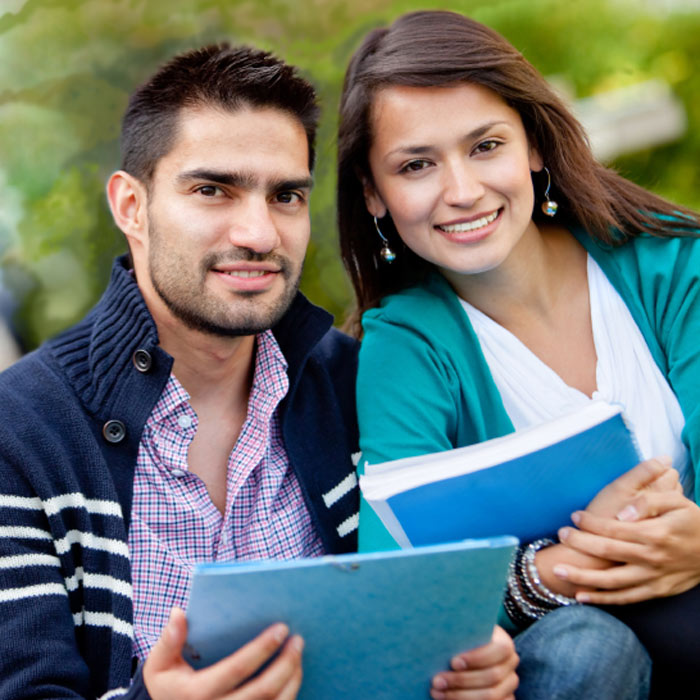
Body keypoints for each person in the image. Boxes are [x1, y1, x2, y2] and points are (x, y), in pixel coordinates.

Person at [0, 43, 519, 700]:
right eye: (213, 189)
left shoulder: (360, 387)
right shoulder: (21, 430)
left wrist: (476, 661)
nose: (259, 232)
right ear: (132, 206)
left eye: (286, 196)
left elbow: (443, 610)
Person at [337, 9, 700, 698]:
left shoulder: (675, 265)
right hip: (569, 669)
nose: (463, 191)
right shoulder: (404, 346)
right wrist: (550, 573)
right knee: (586, 647)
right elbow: (401, 594)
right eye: (416, 165)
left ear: (534, 144)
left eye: (484, 146)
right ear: (374, 195)